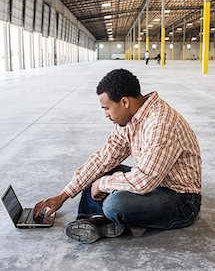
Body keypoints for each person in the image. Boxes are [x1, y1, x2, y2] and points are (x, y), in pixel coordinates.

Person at [34, 69, 202, 243]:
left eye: (106, 108)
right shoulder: (131, 120)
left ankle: (104, 217)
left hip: (180, 199)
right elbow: (103, 159)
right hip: (154, 182)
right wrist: (62, 195)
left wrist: (103, 184)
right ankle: (96, 221)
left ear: (124, 102)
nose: (105, 114)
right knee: (96, 172)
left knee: (115, 205)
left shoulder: (160, 123)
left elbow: (145, 180)